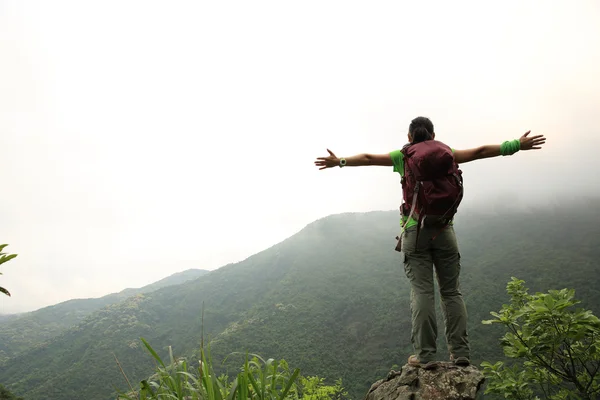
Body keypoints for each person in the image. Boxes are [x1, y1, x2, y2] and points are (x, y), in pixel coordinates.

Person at [314, 116, 546, 368]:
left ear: (409, 138)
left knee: (423, 292)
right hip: (444, 230)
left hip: (415, 232)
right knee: (452, 292)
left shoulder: (402, 156)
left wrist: (340, 162)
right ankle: (460, 353)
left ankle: (425, 356)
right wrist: (515, 145)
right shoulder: (448, 153)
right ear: (433, 136)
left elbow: (369, 158)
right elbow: (480, 151)